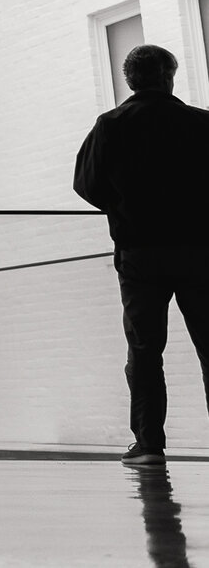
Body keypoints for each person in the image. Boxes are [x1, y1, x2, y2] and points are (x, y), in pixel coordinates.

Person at [73, 42, 209, 467]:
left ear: (130, 80)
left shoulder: (111, 125)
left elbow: (88, 184)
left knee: (145, 349)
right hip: (199, 250)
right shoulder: (201, 124)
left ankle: (149, 444)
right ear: (170, 77)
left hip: (139, 253)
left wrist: (124, 205)